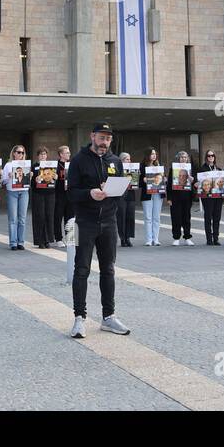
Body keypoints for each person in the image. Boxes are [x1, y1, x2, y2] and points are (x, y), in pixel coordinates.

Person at [66, 122, 130, 338]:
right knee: (81, 269)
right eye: (101, 138)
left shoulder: (115, 162)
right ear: (92, 136)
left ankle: (108, 317)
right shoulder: (78, 161)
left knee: (108, 269)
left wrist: (115, 191)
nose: (105, 143)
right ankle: (79, 318)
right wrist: (89, 194)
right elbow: (71, 192)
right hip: (85, 221)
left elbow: (121, 192)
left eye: (108, 139)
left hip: (109, 222)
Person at [30, 146, 58, 249]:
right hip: (38, 194)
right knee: (39, 216)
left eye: (45, 154)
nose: (43, 156)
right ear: (38, 156)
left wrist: (56, 178)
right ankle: (40, 240)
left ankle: (48, 240)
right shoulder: (34, 167)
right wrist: (35, 180)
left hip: (50, 194)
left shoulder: (52, 166)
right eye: (41, 154)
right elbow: (31, 183)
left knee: (49, 216)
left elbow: (56, 182)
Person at [137, 149, 165, 246]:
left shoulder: (158, 166)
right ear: (147, 155)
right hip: (147, 194)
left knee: (156, 217)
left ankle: (156, 239)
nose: (154, 155)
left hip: (158, 193)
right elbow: (137, 182)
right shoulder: (142, 166)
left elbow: (162, 181)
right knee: (148, 217)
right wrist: (143, 180)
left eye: (155, 154)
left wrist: (164, 179)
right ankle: (149, 239)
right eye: (152, 154)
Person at [198, 149, 224, 245]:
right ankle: (209, 239)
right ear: (206, 157)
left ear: (214, 157)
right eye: (209, 156)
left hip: (218, 197)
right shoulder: (202, 169)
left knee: (217, 217)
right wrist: (197, 184)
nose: (211, 157)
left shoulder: (219, 169)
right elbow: (198, 183)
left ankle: (216, 238)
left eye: (212, 155)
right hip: (207, 197)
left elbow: (222, 183)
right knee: (208, 217)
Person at [167, 150, 195, 245]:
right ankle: (176, 237)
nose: (183, 159)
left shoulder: (191, 169)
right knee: (176, 218)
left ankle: (187, 237)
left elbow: (196, 183)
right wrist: (169, 198)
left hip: (187, 197)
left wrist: (192, 180)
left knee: (186, 218)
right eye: (182, 157)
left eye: (185, 157)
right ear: (178, 159)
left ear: (187, 159)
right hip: (175, 197)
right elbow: (169, 184)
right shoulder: (173, 169)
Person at [116, 145, 137, 248]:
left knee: (130, 216)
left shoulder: (133, 169)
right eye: (126, 159)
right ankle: (122, 238)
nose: (128, 161)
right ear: (121, 160)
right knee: (121, 216)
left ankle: (128, 237)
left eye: (129, 159)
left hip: (130, 194)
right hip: (121, 195)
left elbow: (136, 182)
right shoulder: (117, 168)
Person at [53, 144, 72, 248]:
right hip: (59, 194)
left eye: (69, 152)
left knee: (70, 217)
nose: (69, 154)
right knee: (58, 217)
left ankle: (69, 238)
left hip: (70, 194)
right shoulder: (56, 165)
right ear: (61, 154)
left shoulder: (71, 164)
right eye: (67, 152)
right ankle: (58, 238)